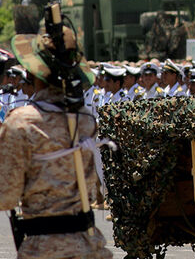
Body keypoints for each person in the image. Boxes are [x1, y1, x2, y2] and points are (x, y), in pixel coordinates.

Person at [0, 15, 112, 259]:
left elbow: (5, 196)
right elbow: (91, 190)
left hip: (44, 249)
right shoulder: (85, 121)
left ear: (32, 74)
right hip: (90, 247)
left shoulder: (21, 123)